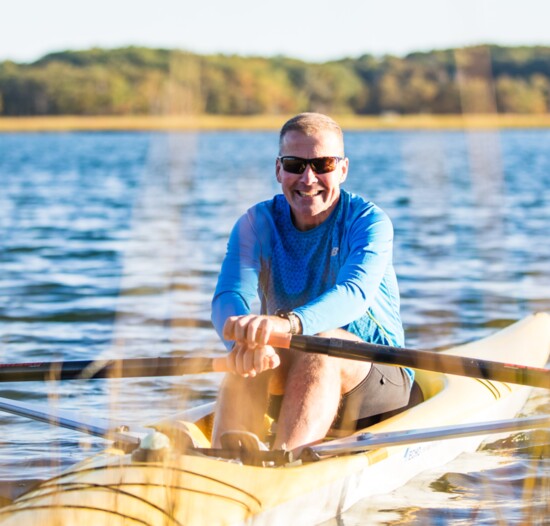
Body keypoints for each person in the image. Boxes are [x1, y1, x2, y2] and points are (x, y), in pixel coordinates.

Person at [211, 112, 415, 454]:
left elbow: (354, 293)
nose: (308, 179)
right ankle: (221, 463)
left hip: (376, 383)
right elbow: (230, 294)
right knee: (251, 346)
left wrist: (287, 324)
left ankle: (284, 464)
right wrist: (240, 341)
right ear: (279, 170)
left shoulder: (369, 222)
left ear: (343, 169)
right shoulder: (254, 222)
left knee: (320, 345)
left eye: (323, 165)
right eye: (295, 164)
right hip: (294, 374)